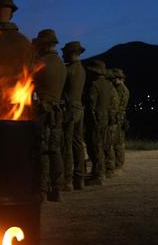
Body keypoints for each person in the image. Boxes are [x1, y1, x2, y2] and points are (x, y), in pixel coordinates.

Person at [32, 29, 67, 202]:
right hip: (57, 112)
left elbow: (28, 82)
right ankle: (58, 189)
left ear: (43, 44)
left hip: (44, 112)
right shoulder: (61, 64)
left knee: (43, 151)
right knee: (55, 150)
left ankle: (42, 190)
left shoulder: (41, 63)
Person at [83, 60, 117, 186]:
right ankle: (105, 171)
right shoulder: (109, 85)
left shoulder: (94, 85)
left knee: (95, 146)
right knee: (104, 145)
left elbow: (91, 105)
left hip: (96, 119)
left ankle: (98, 175)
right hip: (106, 119)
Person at [60, 41, 87, 191]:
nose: (63, 54)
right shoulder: (82, 69)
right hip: (79, 109)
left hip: (70, 110)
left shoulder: (68, 70)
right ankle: (80, 178)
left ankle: (68, 180)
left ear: (71, 53)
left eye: (65, 52)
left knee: (67, 144)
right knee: (78, 144)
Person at [112, 68, 130, 169]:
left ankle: (118, 164)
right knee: (118, 141)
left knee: (118, 142)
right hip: (120, 116)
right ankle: (118, 163)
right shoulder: (122, 88)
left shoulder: (121, 89)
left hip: (118, 116)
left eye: (114, 78)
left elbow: (117, 104)